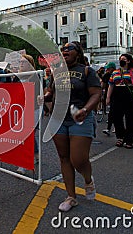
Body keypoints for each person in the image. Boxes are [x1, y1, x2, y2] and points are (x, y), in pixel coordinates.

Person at [44, 41, 101, 212]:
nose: (64, 51)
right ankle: (71, 197)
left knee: (78, 159)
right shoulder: (56, 72)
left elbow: (96, 93)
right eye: (63, 49)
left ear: (78, 52)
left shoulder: (86, 71)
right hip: (58, 119)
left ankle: (88, 180)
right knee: (64, 158)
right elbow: (51, 92)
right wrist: (45, 97)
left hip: (80, 119)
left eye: (69, 49)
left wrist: (86, 109)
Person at [106, 53, 133, 149]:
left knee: (130, 117)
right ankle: (120, 136)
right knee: (116, 117)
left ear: (128, 60)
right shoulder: (115, 72)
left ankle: (130, 139)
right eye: (120, 59)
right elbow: (111, 85)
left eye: (123, 59)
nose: (121, 60)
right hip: (117, 94)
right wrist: (108, 97)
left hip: (130, 94)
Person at [13, 54, 41, 175]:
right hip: (20, 109)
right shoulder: (15, 77)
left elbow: (40, 92)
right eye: (20, 61)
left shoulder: (35, 76)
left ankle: (23, 164)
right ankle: (36, 154)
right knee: (25, 135)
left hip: (33, 109)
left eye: (24, 62)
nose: (21, 64)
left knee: (27, 136)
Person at [101, 62, 116, 136]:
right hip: (109, 94)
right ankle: (109, 128)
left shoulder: (116, 74)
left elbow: (102, 86)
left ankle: (111, 128)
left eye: (109, 68)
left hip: (116, 95)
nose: (107, 69)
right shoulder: (107, 75)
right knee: (112, 111)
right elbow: (103, 85)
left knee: (115, 112)